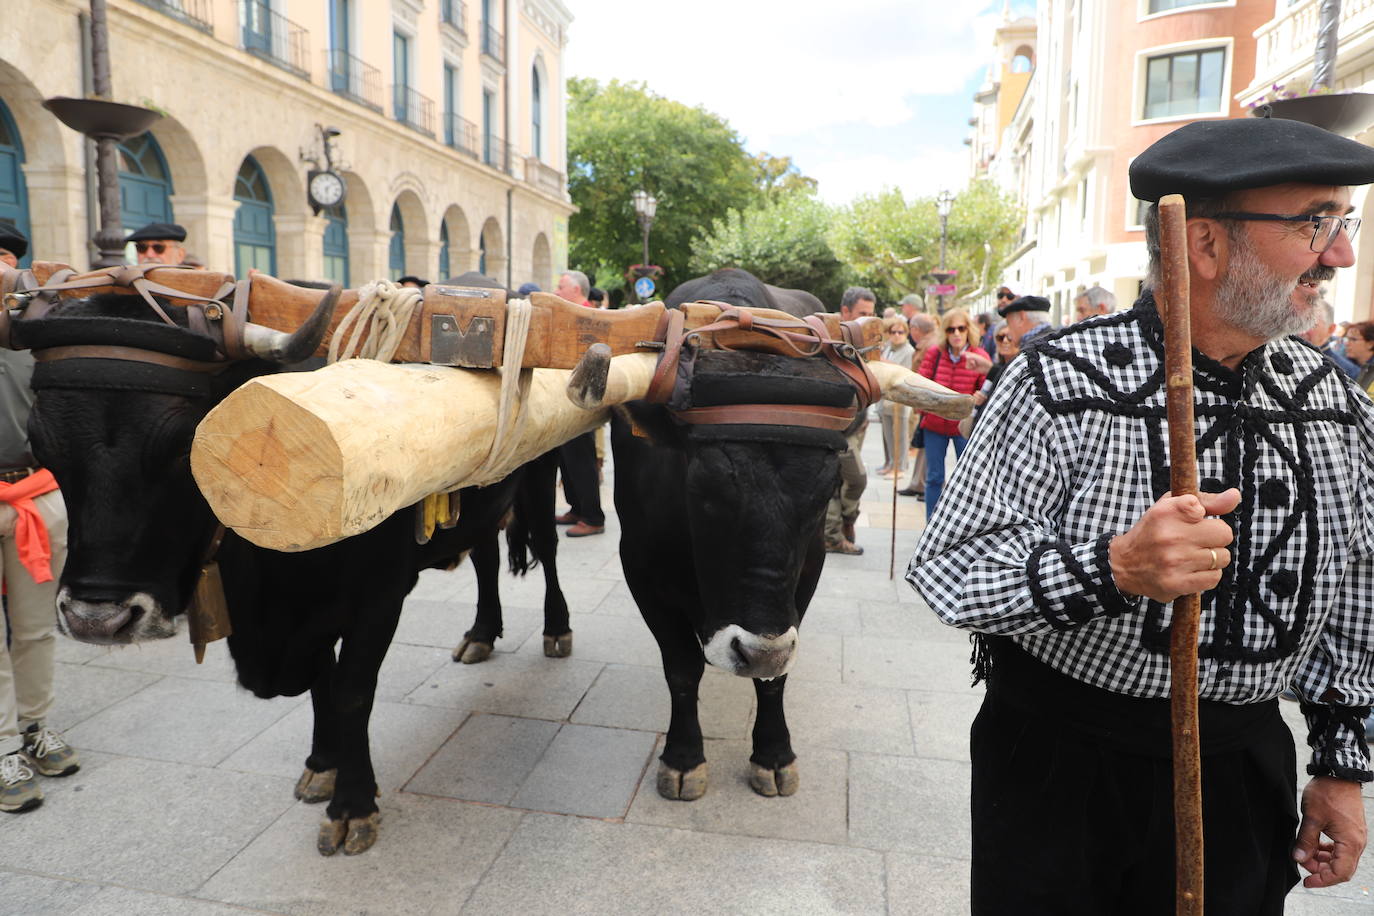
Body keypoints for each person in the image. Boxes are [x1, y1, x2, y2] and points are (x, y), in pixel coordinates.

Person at [908, 115, 1374, 912]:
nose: (1341, 254)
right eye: (1315, 224)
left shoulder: (1329, 398)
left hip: (1241, 763)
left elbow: (1359, 586)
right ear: (1204, 245)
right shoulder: (1057, 378)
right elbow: (953, 569)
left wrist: (1340, 766)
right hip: (1061, 766)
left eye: (1343, 222)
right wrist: (1114, 567)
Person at [0, 260, 77, 814]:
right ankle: (4, 747)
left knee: (34, 628)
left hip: (34, 492)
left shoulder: (37, 337)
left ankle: (35, 726)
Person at [914, 307, 987, 519]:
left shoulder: (978, 356)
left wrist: (980, 395)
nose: (956, 333)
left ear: (968, 330)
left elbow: (987, 386)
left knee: (966, 479)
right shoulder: (935, 354)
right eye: (951, 329)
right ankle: (931, 524)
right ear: (944, 332)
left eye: (961, 328)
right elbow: (922, 382)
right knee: (934, 477)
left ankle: (959, 526)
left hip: (963, 426)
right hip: (935, 424)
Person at [824, 287, 878, 554]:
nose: (868, 319)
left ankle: (836, 532)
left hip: (858, 423)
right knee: (855, 479)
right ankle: (840, 528)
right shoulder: (828, 338)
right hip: (837, 426)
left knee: (846, 480)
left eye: (871, 314)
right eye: (862, 314)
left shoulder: (866, 340)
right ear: (845, 312)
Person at [553, 270, 606, 537]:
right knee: (568, 457)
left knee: (580, 457)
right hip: (567, 396)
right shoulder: (573, 313)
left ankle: (593, 517)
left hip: (581, 398)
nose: (556, 291)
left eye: (561, 286)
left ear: (576, 290)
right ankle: (576, 507)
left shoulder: (590, 318)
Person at [899, 313, 938, 498]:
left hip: (928, 402)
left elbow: (924, 375)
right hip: (925, 401)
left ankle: (923, 484)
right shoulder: (929, 343)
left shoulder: (930, 345)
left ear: (916, 329)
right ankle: (918, 483)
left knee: (926, 444)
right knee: (922, 443)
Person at [876, 317, 915, 479]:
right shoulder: (888, 348)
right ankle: (891, 463)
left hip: (899, 399)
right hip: (885, 398)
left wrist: (887, 364)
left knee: (900, 436)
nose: (897, 335)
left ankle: (900, 467)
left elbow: (906, 372)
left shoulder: (909, 351)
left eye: (901, 332)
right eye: (893, 332)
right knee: (888, 435)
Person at [1304, 298, 1359, 380]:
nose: (1302, 331)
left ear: (1331, 329)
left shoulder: (1347, 371)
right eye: (1299, 323)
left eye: (1311, 325)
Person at [124, 222, 189, 266]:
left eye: (158, 247)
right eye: (142, 247)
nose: (149, 254)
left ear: (180, 255)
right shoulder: (124, 284)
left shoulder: (194, 285)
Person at [1344, 320, 1374, 395]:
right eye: (1347, 339)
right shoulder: (1346, 363)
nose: (1347, 343)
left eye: (1353, 339)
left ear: (1370, 344)